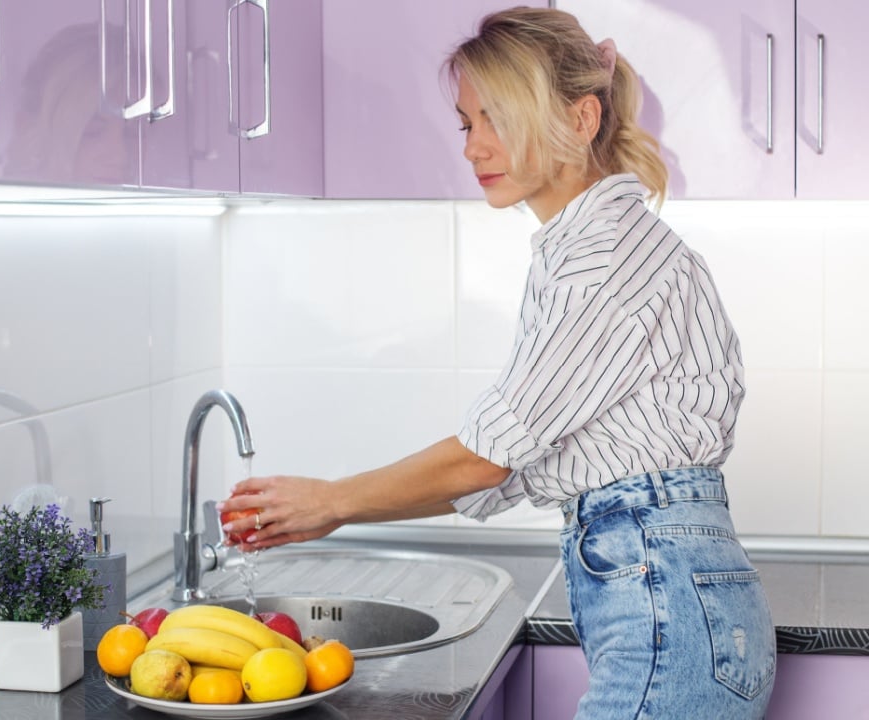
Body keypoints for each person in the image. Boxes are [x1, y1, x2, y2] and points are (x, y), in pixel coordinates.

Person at [218, 7, 776, 718]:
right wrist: (335, 511)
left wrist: (332, 501)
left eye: (498, 120)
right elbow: (506, 464)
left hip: (664, 594)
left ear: (581, 119)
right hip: (672, 586)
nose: (474, 146)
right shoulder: (589, 250)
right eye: (467, 122)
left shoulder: (600, 264)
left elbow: (485, 459)